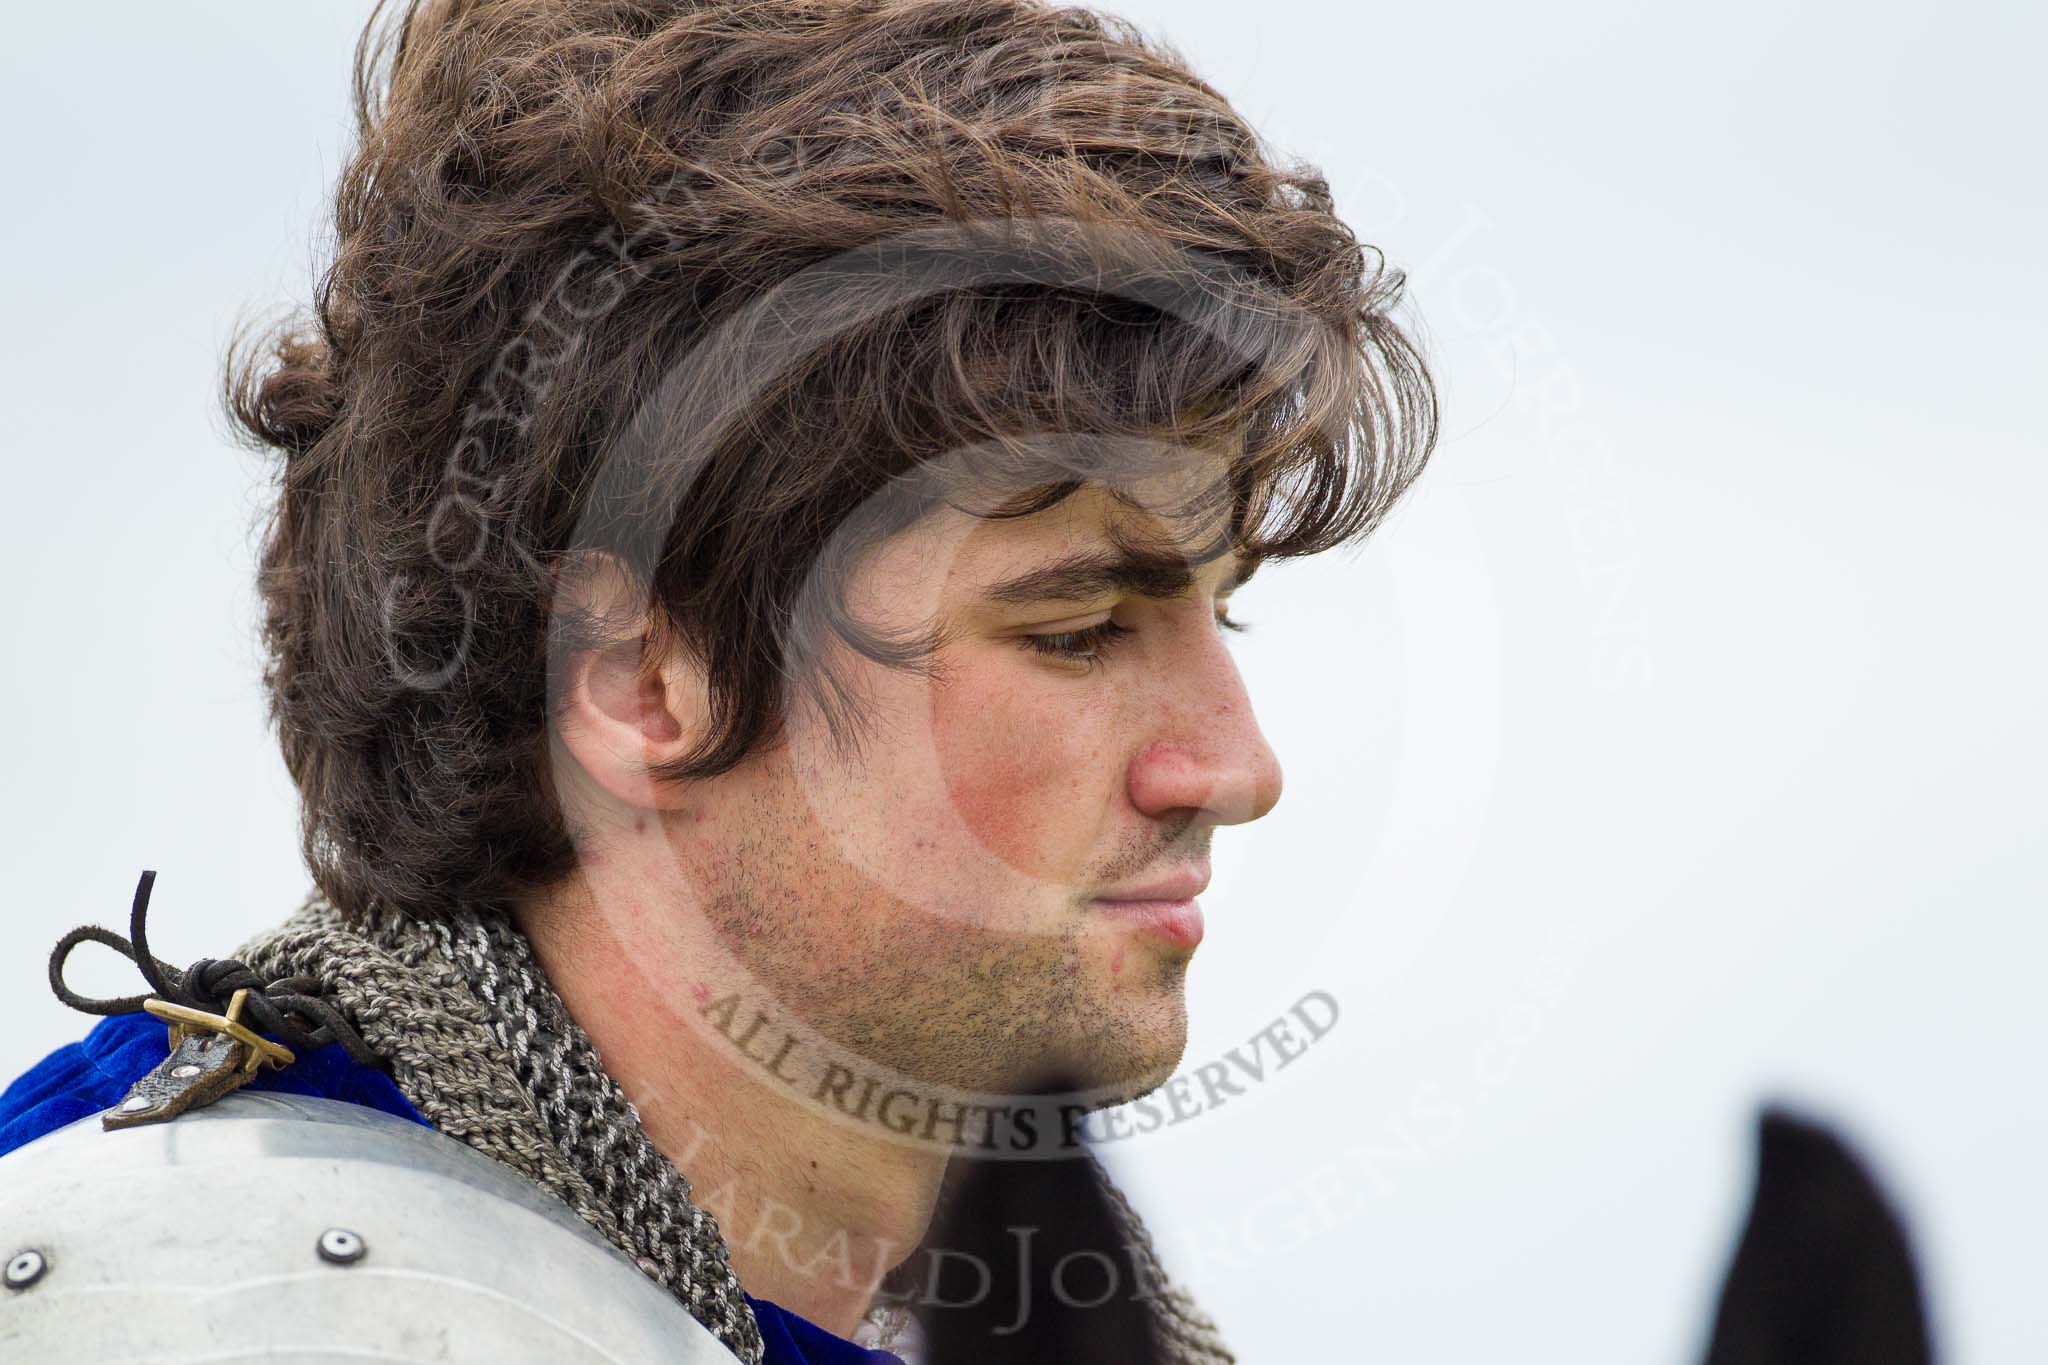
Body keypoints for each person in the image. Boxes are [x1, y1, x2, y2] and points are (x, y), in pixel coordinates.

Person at [0, 0, 1435, 1360]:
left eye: (1219, 621)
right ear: (633, 684)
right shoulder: (229, 1307)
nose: (1236, 769)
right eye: (1077, 628)